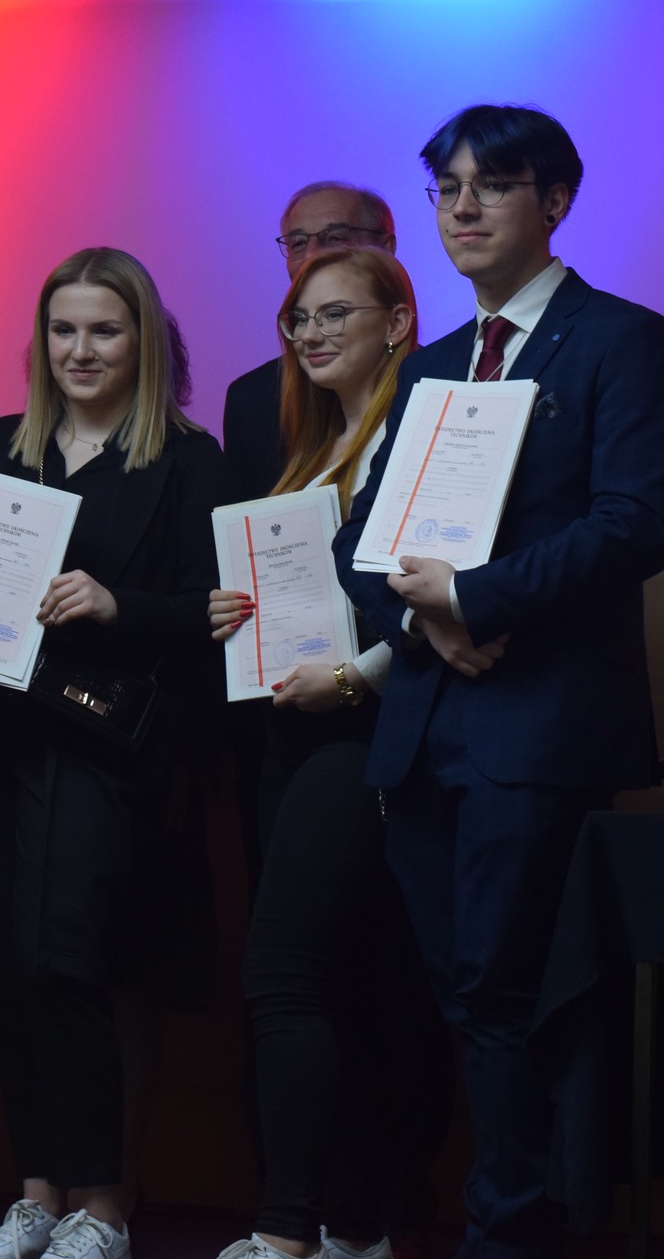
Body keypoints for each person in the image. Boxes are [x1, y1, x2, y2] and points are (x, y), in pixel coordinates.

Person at [333, 104, 664, 1259]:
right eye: (444, 189)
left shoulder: (619, 341)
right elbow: (359, 547)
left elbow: (633, 523)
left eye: (490, 185)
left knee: (509, 989)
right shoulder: (429, 365)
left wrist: (476, 601)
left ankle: (515, 1231)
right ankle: (517, 1216)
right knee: (460, 995)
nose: (460, 208)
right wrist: (426, 623)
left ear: (554, 201)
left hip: (543, 726)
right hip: (425, 730)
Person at [0, 247, 228, 1259]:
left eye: (103, 330)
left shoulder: (188, 461)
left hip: (104, 750)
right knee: (9, 972)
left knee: (69, 962)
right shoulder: (0, 449)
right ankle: (37, 1198)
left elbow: (216, 612)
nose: (79, 350)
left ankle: (103, 1206)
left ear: (144, 342)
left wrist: (114, 603)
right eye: (62, 330)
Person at [205, 246, 441, 1259]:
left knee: (286, 974)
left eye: (334, 313)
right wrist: (235, 614)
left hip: (362, 736)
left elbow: (428, 610)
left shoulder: (415, 441)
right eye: (298, 318)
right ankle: (355, 1225)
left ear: (397, 324)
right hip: (290, 734)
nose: (309, 333)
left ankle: (286, 1232)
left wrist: (351, 681)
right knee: (345, 981)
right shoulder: (311, 444)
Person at [223, 184, 396, 504]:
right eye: (299, 243)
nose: (313, 255)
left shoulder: (439, 397)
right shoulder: (253, 403)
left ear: (395, 324)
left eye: (335, 237)